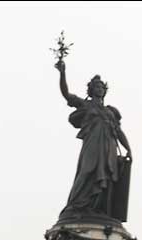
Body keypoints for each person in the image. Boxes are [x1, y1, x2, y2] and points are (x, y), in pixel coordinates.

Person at [55, 61, 132, 220]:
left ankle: (99, 210)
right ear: (91, 90)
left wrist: (128, 148)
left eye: (102, 87)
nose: (99, 89)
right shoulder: (85, 104)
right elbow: (66, 94)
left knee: (108, 175)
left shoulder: (110, 111)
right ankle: (76, 206)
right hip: (93, 144)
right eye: (96, 87)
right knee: (87, 171)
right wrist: (62, 73)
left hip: (108, 146)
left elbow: (118, 131)